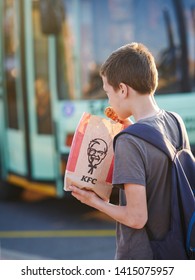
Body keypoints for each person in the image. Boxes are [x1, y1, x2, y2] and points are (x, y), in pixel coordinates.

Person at [68, 42, 191, 259]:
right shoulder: (175, 121)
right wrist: (132, 127)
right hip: (177, 248)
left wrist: (94, 201)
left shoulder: (129, 141)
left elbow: (136, 217)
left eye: (108, 92)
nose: (109, 100)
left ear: (123, 89)